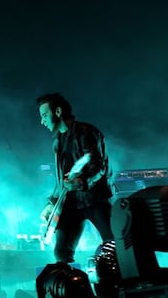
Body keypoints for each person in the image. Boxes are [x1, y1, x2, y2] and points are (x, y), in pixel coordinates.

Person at [37, 93, 114, 263]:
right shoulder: (57, 141)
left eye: (44, 115)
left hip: (94, 199)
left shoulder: (86, 132)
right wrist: (52, 203)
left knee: (114, 244)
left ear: (57, 112)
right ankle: (73, 286)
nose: (42, 121)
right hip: (71, 203)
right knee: (62, 252)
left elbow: (98, 166)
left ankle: (121, 284)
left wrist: (81, 182)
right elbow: (61, 178)